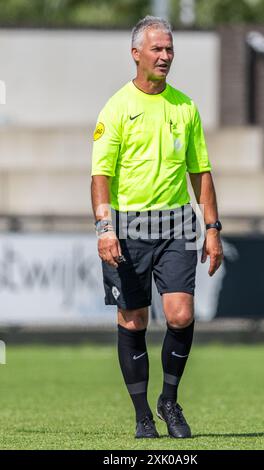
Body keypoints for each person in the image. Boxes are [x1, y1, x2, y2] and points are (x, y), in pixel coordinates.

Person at [91, 16, 223, 439]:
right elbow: (100, 178)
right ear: (136, 54)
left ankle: (169, 399)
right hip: (127, 225)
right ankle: (142, 414)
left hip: (178, 222)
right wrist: (104, 229)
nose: (165, 56)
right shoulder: (116, 108)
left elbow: (200, 173)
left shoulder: (185, 107)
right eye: (157, 49)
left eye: (169, 49)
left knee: (180, 314)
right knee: (133, 320)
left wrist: (213, 228)